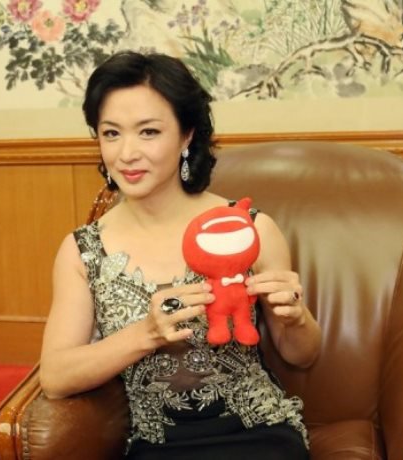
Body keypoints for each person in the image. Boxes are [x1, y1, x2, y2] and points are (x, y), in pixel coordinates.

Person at [39, 51, 322, 460]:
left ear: (187, 135)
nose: (127, 153)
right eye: (111, 133)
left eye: (149, 132)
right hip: (155, 445)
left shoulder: (247, 228)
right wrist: (146, 334)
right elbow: (55, 376)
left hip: (259, 433)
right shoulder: (83, 250)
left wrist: (296, 317)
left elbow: (302, 354)